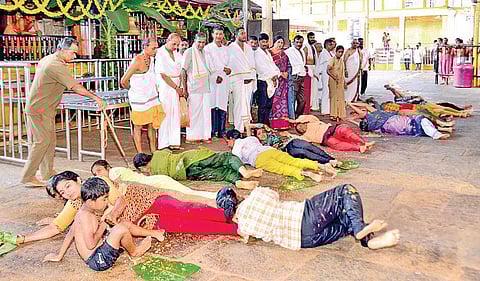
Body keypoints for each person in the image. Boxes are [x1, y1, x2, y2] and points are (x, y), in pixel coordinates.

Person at [21, 38, 106, 186]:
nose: (74, 56)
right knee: (42, 142)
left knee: (49, 141)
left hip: (44, 108)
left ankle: (47, 172)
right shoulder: (55, 65)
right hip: (39, 109)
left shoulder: (50, 59)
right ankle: (28, 177)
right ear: (63, 50)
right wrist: (96, 98)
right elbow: (76, 88)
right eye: (73, 53)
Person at [42, 177, 163, 271]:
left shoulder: (83, 211)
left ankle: (154, 233)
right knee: (120, 229)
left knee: (123, 223)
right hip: (98, 260)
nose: (106, 202)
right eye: (104, 199)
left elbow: (70, 233)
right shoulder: (86, 216)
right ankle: (135, 252)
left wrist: (59, 255)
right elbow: (90, 244)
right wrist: (104, 223)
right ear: (91, 202)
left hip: (99, 251)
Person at [233, 185, 400, 250]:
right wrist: (251, 195)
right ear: (238, 197)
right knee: (344, 192)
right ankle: (360, 231)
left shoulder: (244, 226)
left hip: (304, 241)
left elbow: (247, 237)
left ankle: (369, 241)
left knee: (344, 219)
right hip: (303, 216)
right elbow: (273, 194)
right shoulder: (256, 196)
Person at [133, 148, 263, 190]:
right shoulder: (158, 153)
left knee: (219, 174)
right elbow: (168, 152)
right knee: (225, 158)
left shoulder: (155, 174)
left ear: (143, 167)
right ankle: (244, 172)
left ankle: (238, 182)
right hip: (191, 158)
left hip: (188, 173)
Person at [90, 160, 217, 201]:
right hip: (155, 183)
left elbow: (117, 184)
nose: (98, 175)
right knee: (188, 194)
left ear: (107, 167)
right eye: (95, 174)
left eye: (100, 171)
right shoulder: (114, 173)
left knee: (188, 195)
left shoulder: (113, 172)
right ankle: (216, 196)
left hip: (156, 183)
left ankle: (216, 196)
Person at [120, 37, 165, 153]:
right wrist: (134, 89)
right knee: (138, 126)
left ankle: (154, 151)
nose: (156, 51)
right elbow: (123, 81)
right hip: (139, 99)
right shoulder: (138, 60)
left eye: (157, 48)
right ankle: (140, 153)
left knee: (152, 124)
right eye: (153, 48)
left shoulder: (152, 59)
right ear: (145, 47)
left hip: (151, 96)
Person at [230, 136, 328, 182]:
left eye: (228, 141)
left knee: (282, 168)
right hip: (268, 150)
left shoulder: (235, 150)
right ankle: (319, 165)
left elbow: (239, 161)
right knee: (292, 160)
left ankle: (307, 174)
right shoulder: (250, 138)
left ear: (232, 139)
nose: (228, 143)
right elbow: (257, 141)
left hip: (258, 159)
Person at [348, 103, 450, 140]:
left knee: (421, 121)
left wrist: (350, 103)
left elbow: (365, 106)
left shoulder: (376, 112)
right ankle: (437, 133)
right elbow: (361, 114)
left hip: (399, 122)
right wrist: (353, 117)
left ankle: (438, 131)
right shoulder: (369, 123)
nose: (363, 111)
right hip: (396, 124)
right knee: (420, 120)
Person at [251, 125, 338, 167]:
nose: (262, 134)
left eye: (262, 132)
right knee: (304, 152)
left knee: (309, 147)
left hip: (291, 140)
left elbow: (262, 125)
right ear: (256, 137)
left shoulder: (270, 132)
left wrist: (252, 126)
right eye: (259, 134)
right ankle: (327, 161)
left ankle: (331, 159)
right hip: (286, 150)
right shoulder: (261, 145)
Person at [181, 33, 212, 142]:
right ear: (194, 41)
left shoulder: (205, 52)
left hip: (206, 87)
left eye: (203, 42)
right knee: (194, 114)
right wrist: (184, 89)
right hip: (194, 88)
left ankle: (204, 136)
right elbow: (183, 71)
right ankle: (192, 137)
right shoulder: (189, 52)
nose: (201, 44)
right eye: (199, 42)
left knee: (205, 114)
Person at [155, 33, 184, 150]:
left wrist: (181, 86)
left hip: (176, 83)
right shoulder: (160, 53)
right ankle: (163, 143)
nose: (175, 46)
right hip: (166, 85)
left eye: (177, 44)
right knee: (165, 113)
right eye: (174, 44)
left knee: (175, 113)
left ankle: (174, 141)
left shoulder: (177, 54)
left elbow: (181, 71)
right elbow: (163, 74)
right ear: (168, 41)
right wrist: (175, 87)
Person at [290, 115, 375, 153]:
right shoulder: (305, 136)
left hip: (332, 130)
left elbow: (306, 117)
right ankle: (360, 148)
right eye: (300, 129)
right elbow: (296, 138)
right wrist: (287, 134)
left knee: (344, 130)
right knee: (334, 143)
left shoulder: (312, 121)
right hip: (326, 139)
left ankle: (364, 142)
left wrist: (296, 121)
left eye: (300, 125)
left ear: (304, 123)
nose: (301, 128)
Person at [226, 27, 256, 133]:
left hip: (249, 80)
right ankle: (238, 128)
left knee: (247, 105)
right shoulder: (230, 48)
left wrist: (252, 77)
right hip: (237, 80)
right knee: (238, 105)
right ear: (236, 35)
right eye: (242, 33)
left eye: (245, 33)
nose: (244, 35)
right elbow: (229, 63)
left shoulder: (248, 48)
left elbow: (252, 63)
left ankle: (246, 126)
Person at [205, 27, 231, 138]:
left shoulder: (226, 49)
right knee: (212, 103)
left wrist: (224, 73)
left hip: (224, 78)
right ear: (212, 35)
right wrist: (217, 74)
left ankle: (221, 130)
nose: (219, 36)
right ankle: (212, 130)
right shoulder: (208, 48)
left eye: (220, 34)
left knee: (222, 104)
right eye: (216, 34)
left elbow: (230, 64)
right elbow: (209, 64)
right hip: (212, 78)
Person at [254, 33, 279, 126]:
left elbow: (273, 66)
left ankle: (266, 124)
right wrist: (272, 76)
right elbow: (261, 68)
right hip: (263, 81)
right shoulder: (257, 53)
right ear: (259, 42)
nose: (265, 44)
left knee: (269, 105)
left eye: (266, 41)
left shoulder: (268, 53)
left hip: (271, 81)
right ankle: (261, 126)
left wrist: (276, 74)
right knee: (262, 105)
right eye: (263, 42)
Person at [269, 35, 291, 129]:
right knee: (273, 101)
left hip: (283, 82)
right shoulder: (269, 53)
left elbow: (289, 66)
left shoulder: (284, 54)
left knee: (282, 102)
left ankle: (282, 124)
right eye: (278, 42)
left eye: (282, 43)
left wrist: (286, 73)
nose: (280, 45)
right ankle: (273, 123)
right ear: (274, 42)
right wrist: (280, 73)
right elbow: (268, 66)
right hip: (273, 80)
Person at [285, 35, 307, 118]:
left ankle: (299, 116)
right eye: (297, 42)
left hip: (302, 77)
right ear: (293, 42)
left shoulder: (302, 51)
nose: (299, 44)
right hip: (294, 77)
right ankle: (292, 117)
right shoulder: (289, 51)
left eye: (300, 42)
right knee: (292, 99)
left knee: (302, 100)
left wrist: (304, 68)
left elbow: (302, 63)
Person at [303, 32, 323, 111]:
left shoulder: (314, 47)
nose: (312, 39)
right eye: (311, 37)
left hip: (315, 68)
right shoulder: (305, 48)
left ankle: (314, 105)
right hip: (309, 69)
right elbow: (304, 60)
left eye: (313, 37)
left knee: (315, 89)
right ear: (307, 38)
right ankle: (310, 105)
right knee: (310, 89)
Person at [316, 38, 335, 115]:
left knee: (329, 92)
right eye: (331, 45)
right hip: (325, 74)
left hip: (330, 75)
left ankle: (328, 108)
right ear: (327, 45)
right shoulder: (323, 53)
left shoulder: (329, 53)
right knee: (326, 92)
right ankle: (324, 110)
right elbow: (321, 65)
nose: (333, 46)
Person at [327, 45, 347, 121]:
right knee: (334, 97)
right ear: (336, 52)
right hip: (333, 81)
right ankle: (333, 115)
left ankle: (339, 114)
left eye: (342, 52)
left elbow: (342, 72)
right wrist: (334, 77)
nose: (340, 54)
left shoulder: (341, 60)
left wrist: (344, 81)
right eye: (339, 52)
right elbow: (328, 70)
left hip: (340, 81)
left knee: (340, 97)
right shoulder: (332, 59)